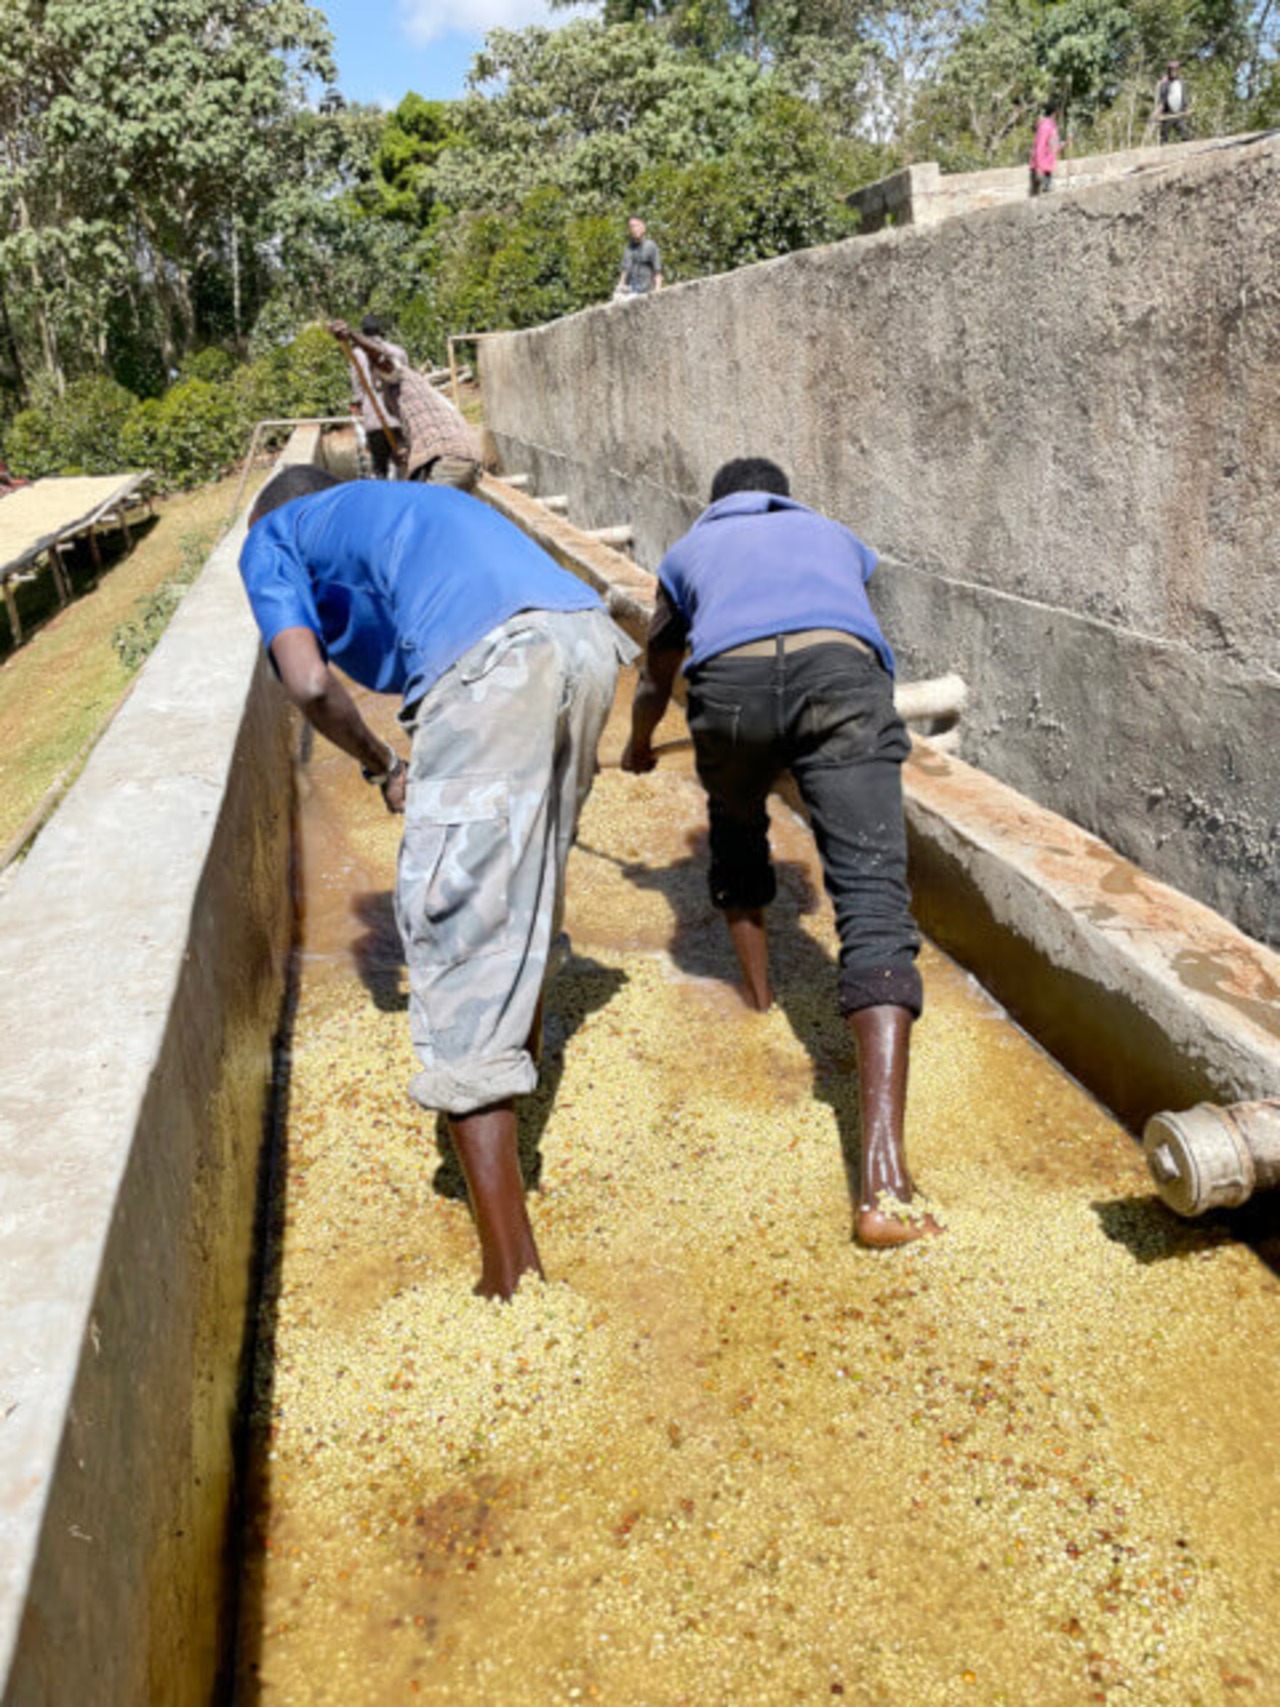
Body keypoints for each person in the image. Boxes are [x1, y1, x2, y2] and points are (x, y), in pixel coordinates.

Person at [239, 466, 634, 1298]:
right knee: (528, 885)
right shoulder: (410, 506)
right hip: (588, 641)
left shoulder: (274, 533)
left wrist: (382, 762)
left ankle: (511, 1270)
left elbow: (307, 680)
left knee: (456, 936)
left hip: (495, 664)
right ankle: (516, 1115)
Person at [621, 457, 940, 1250]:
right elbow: (849, 628)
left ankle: (760, 1001)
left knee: (734, 828)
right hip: (843, 682)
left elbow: (656, 675)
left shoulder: (688, 553)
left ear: (714, 505)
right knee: (873, 900)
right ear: (782, 499)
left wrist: (637, 744)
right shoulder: (832, 534)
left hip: (728, 693)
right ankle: (885, 1188)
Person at [328, 321, 483, 490]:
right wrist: (407, 453)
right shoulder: (414, 394)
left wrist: (351, 335)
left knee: (416, 502)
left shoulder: (398, 376)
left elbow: (380, 357)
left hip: (447, 459)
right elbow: (422, 430)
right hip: (469, 457)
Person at [347, 314, 406, 479]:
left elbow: (357, 387)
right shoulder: (398, 351)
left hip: (374, 419)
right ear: (380, 331)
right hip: (397, 418)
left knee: (380, 469)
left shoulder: (356, 355)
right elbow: (407, 382)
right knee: (403, 464)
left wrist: (359, 404)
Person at [615, 216, 663, 299]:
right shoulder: (628, 249)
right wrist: (619, 289)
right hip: (631, 292)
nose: (634, 229)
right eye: (631, 227)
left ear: (643, 227)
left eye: (636, 225)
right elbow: (624, 272)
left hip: (647, 292)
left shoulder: (651, 246)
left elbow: (658, 273)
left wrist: (657, 292)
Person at [1153, 60, 1190, 144]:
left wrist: (1186, 108)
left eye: (1175, 70)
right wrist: (1158, 112)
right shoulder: (1165, 83)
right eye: (1172, 70)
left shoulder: (1181, 83)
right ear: (1168, 71)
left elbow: (1184, 97)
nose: (1173, 72)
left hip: (1179, 112)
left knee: (1184, 133)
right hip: (1168, 113)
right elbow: (1162, 100)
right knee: (1164, 136)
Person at [1029, 101, 1061, 196]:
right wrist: (1039, 166)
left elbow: (1053, 146)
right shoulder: (1045, 127)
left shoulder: (1052, 126)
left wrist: (1065, 144)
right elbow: (1039, 146)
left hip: (1048, 167)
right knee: (1038, 197)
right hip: (1041, 167)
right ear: (1055, 112)